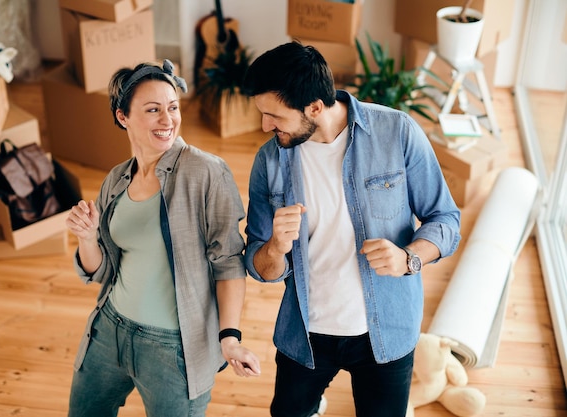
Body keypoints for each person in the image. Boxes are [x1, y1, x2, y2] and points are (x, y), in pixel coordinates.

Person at [241, 41, 461, 417]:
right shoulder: (270, 160)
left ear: (314, 107)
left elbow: (446, 220)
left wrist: (408, 257)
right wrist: (276, 247)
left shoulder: (397, 133)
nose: (265, 126)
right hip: (306, 335)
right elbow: (260, 268)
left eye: (274, 115)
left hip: (386, 333)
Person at [65, 59, 261, 417]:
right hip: (110, 328)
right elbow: (103, 270)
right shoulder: (116, 179)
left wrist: (230, 338)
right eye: (153, 110)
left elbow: (229, 260)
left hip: (173, 348)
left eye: (172, 108)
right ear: (123, 116)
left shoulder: (205, 171)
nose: (167, 120)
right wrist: (87, 237)